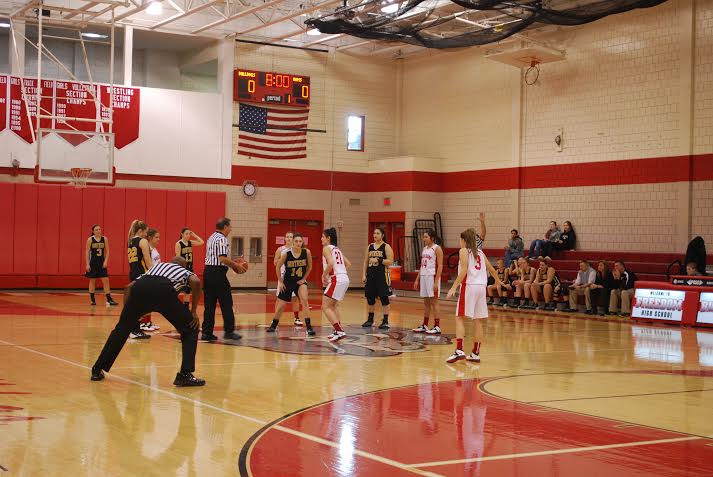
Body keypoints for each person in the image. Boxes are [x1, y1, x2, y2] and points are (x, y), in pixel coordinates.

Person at [90, 257, 205, 387]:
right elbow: (196, 282)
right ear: (184, 266)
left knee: (121, 330)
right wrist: (194, 311)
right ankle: (185, 375)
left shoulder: (156, 267)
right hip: (163, 290)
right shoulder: (182, 270)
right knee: (190, 328)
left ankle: (97, 369)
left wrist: (128, 313)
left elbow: (128, 287)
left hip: (141, 288)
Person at [445, 228, 503, 363]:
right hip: (481, 288)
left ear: (464, 240)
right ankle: (476, 353)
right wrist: (499, 282)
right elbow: (492, 269)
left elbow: (464, 269)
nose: (459, 243)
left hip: (469, 286)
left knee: (459, 318)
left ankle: (459, 350)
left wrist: (453, 286)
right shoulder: (481, 253)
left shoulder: (464, 251)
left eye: (460, 240)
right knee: (478, 321)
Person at [202, 218, 242, 342]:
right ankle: (229, 331)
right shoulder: (221, 239)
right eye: (230, 227)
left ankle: (206, 332)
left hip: (208, 272)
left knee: (209, 305)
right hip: (217, 274)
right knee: (226, 303)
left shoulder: (211, 237)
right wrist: (236, 265)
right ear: (225, 227)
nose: (230, 229)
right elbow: (222, 258)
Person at [268, 233, 315, 337]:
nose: (298, 243)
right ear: (292, 243)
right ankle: (274, 324)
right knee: (281, 306)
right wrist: (280, 281)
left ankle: (309, 327)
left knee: (304, 301)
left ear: (302, 243)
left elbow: (309, 267)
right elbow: (277, 267)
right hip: (288, 282)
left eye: (300, 241)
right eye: (296, 241)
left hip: (300, 282)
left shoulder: (306, 252)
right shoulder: (286, 254)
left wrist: (304, 279)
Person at [321, 227, 351, 342]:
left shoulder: (326, 248)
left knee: (325, 306)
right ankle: (337, 331)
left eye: (323, 237)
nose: (321, 239)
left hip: (337, 279)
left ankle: (339, 330)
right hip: (344, 278)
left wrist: (324, 275)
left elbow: (331, 263)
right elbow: (348, 263)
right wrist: (340, 271)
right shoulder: (337, 249)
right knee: (332, 306)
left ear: (328, 238)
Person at [361, 227, 394, 330]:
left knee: (384, 298)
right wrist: (363, 274)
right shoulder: (370, 246)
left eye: (378, 233)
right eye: (374, 233)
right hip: (371, 275)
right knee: (370, 298)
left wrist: (379, 260)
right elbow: (366, 261)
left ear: (382, 235)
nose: (375, 235)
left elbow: (390, 261)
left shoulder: (386, 246)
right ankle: (370, 319)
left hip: (382, 276)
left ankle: (385, 321)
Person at [411, 229, 443, 335]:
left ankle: (437, 326)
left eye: (426, 237)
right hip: (424, 276)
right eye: (423, 237)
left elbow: (440, 266)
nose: (423, 239)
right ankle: (425, 325)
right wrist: (417, 279)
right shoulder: (424, 248)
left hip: (432, 276)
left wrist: (436, 281)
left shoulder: (437, 248)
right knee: (426, 302)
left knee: (434, 301)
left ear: (432, 238)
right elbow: (422, 265)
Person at [127, 220, 153, 340]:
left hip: (133, 274)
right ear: (140, 231)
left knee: (138, 304)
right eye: (146, 232)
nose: (146, 235)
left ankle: (134, 328)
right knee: (141, 305)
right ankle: (135, 329)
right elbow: (147, 260)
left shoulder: (131, 241)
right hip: (141, 275)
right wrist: (155, 272)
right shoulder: (142, 241)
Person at [272, 232, 303, 326]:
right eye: (287, 237)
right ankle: (275, 319)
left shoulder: (296, 250)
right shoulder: (280, 249)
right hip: (283, 277)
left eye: (291, 237)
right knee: (279, 299)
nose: (289, 238)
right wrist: (283, 259)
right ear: (284, 238)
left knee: (295, 298)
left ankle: (297, 318)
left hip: (293, 277)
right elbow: (275, 262)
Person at [84, 225, 118, 307]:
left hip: (101, 263)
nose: (99, 231)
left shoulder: (104, 239)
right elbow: (87, 252)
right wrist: (87, 264)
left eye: (99, 229)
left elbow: (108, 251)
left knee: (106, 280)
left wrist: (105, 261)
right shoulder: (90, 240)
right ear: (93, 231)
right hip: (93, 263)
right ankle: (92, 300)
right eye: (96, 230)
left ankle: (109, 299)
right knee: (92, 281)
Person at [138, 229, 162, 332]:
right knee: (146, 301)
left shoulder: (154, 249)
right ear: (150, 238)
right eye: (156, 237)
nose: (158, 239)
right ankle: (143, 323)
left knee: (150, 301)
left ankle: (147, 322)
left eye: (159, 237)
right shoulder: (148, 249)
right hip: (149, 277)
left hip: (155, 276)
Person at [175, 228, 204, 308]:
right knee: (179, 288)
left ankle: (186, 307)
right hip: (182, 269)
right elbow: (178, 258)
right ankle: (174, 305)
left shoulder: (190, 242)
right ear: (182, 234)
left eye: (189, 234)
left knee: (187, 289)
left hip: (190, 268)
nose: (188, 235)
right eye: (186, 234)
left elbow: (201, 242)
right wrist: (180, 269)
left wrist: (194, 235)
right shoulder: (179, 244)